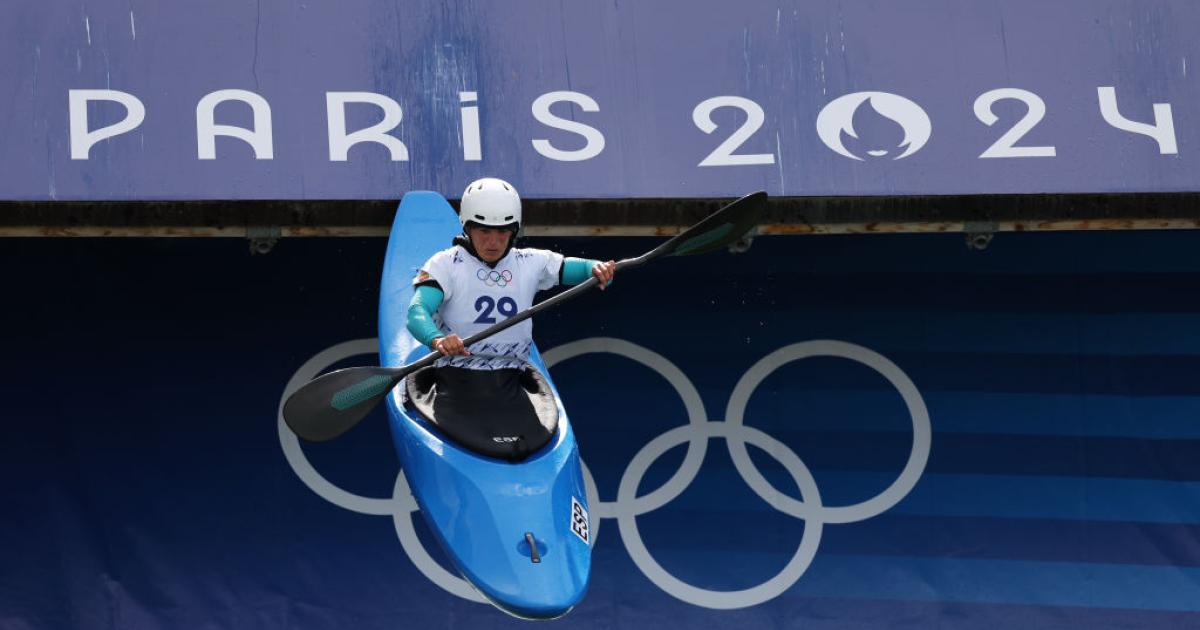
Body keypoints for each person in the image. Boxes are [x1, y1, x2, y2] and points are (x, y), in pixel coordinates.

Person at [404, 177, 615, 459]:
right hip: (457, 383)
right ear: (467, 227)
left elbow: (575, 268)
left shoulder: (530, 262)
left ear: (514, 230)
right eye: (483, 231)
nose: (493, 242)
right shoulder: (445, 264)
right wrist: (437, 340)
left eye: (503, 232)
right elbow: (416, 312)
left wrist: (597, 269)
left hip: (510, 383)